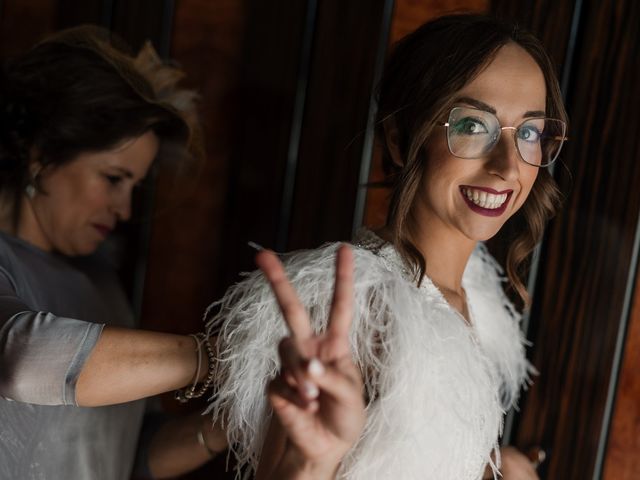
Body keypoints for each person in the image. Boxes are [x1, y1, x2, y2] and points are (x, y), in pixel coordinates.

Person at [205, 13, 568, 480]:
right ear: (399, 141)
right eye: (472, 126)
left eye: (530, 132)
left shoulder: (475, 297)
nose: (508, 167)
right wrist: (306, 463)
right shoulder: (363, 305)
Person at [0, 26, 230, 480]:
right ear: (42, 156)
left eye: (135, 187)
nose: (124, 209)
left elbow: (130, 449)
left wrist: (235, 420)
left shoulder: (102, 282)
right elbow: (22, 358)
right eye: (112, 178)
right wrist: (223, 357)